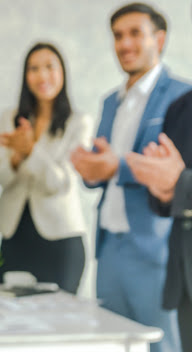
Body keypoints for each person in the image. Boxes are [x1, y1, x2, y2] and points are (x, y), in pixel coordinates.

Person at [70, 3, 191, 352]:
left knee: (162, 343)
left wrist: (115, 167)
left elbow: (174, 174)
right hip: (110, 247)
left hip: (156, 246)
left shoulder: (182, 97)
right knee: (113, 342)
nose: (125, 44)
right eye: (118, 36)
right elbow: (103, 168)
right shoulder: (111, 101)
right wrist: (90, 170)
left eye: (135, 33)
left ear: (160, 39)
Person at [0, 42, 93, 294]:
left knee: (59, 322)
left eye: (50, 67)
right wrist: (16, 158)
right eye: (34, 68)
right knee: (11, 317)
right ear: (26, 76)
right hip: (15, 233)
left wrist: (30, 151)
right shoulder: (10, 117)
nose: (42, 75)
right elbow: (1, 177)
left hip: (60, 237)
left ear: (62, 73)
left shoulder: (78, 123)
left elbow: (59, 183)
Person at [125, 89, 192, 351]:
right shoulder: (179, 107)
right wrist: (163, 191)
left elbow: (181, 181)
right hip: (185, 275)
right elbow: (169, 200)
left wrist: (180, 183)